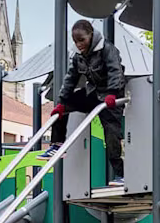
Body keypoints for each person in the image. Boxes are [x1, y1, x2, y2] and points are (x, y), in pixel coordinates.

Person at [50, 20, 126, 182]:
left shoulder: (107, 49)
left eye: (82, 40)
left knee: (111, 133)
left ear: (91, 35)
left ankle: (121, 174)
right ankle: (57, 144)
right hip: (94, 93)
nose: (79, 44)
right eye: (75, 41)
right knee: (62, 107)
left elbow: (115, 71)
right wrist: (62, 102)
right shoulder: (78, 56)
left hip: (110, 98)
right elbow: (70, 78)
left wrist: (112, 92)